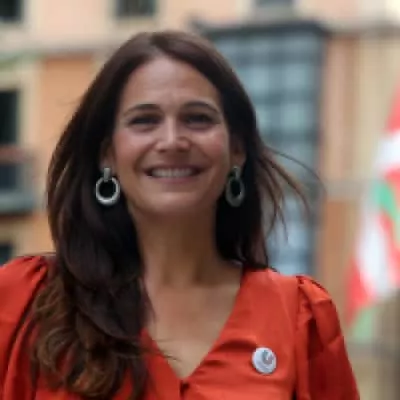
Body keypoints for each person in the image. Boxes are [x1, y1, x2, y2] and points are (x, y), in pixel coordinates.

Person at [0, 30, 359, 400]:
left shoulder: (300, 316)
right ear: (108, 154)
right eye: (144, 120)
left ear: (236, 150)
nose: (172, 141)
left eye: (198, 119)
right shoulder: (23, 302)